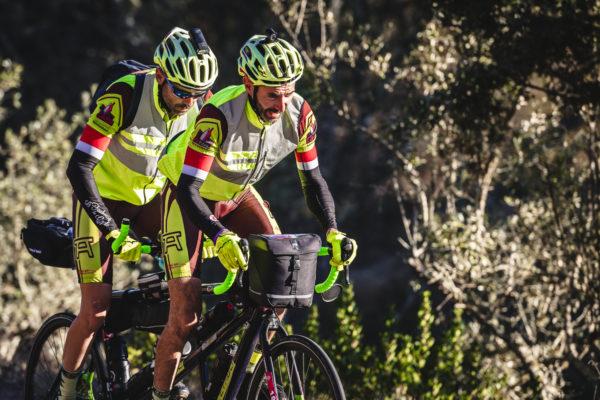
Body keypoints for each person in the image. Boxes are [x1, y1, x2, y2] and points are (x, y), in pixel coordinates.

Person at [152, 28, 358, 399]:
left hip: (237, 195)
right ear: (248, 84)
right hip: (188, 197)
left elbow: (313, 181)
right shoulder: (219, 116)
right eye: (272, 94)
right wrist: (219, 236)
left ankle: (236, 376)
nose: (281, 103)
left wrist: (332, 230)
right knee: (185, 316)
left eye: (288, 92)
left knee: (280, 291)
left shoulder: (300, 115)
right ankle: (159, 394)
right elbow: (188, 189)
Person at [57, 27, 218, 400]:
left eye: (196, 94)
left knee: (183, 297)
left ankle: (160, 377)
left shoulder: (199, 102)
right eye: (181, 91)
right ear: (160, 75)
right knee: (95, 310)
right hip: (102, 198)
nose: (189, 101)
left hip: (150, 199)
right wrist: (110, 230)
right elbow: (78, 167)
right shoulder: (125, 94)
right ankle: (66, 389)